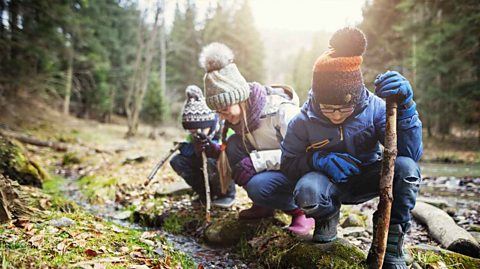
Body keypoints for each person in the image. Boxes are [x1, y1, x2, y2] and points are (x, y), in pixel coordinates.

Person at [280, 27, 423, 268]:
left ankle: (390, 242)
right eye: (327, 108)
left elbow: (410, 155)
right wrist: (317, 160)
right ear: (316, 97)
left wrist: (407, 108)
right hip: (327, 184)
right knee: (307, 190)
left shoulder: (377, 109)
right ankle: (326, 218)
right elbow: (288, 165)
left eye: (344, 108)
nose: (336, 115)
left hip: (368, 177)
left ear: (356, 97)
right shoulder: (302, 120)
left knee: (407, 171)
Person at [199, 42, 314, 235]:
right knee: (233, 146)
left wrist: (256, 162)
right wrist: (213, 149)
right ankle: (264, 206)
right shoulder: (239, 119)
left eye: (224, 109)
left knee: (258, 186)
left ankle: (303, 212)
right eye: (217, 112)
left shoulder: (282, 111)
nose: (221, 116)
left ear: (239, 97)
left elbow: (303, 154)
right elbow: (234, 151)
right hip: (273, 168)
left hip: (299, 172)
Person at [170, 85, 236, 208]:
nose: (196, 133)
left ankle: (226, 194)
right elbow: (190, 151)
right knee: (177, 161)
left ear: (209, 124)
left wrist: (213, 147)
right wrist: (185, 147)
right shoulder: (194, 135)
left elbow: (231, 149)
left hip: (222, 164)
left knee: (213, 161)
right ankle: (205, 193)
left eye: (199, 130)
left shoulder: (224, 127)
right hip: (201, 163)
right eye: (192, 131)